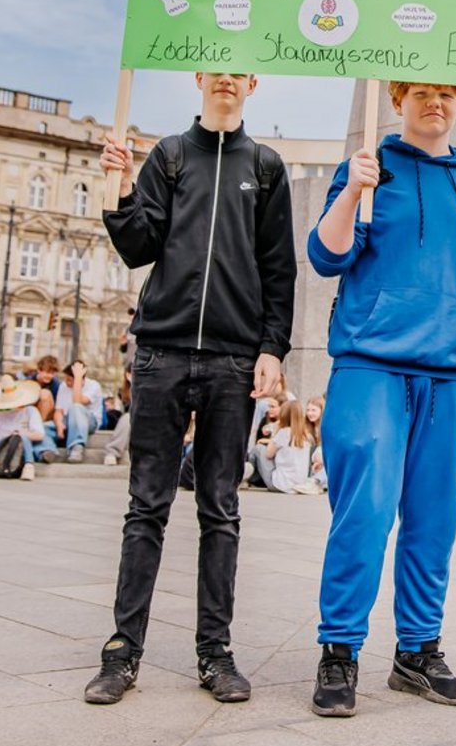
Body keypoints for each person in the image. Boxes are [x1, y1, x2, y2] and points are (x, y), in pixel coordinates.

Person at [83, 71, 296, 707]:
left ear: (252, 82)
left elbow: (278, 266)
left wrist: (272, 347)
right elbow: (137, 246)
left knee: (220, 510)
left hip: (233, 359)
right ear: (200, 77)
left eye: (238, 68)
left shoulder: (265, 167)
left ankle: (215, 652)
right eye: (216, 66)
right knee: (146, 506)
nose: (226, 77)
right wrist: (121, 187)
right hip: (162, 352)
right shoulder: (171, 155)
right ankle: (122, 651)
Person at [306, 81, 456, 717]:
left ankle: (417, 652)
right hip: (371, 365)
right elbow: (326, 256)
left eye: (447, 93)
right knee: (363, 513)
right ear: (398, 99)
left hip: (454, 373)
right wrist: (351, 192)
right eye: (421, 92)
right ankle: (339, 650)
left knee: (434, 520)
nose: (435, 103)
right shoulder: (370, 167)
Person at [0, 374, 56, 479]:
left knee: (23, 438)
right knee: (3, 440)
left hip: (21, 446)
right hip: (2, 445)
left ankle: (29, 465)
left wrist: (20, 434)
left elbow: (39, 435)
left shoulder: (30, 411)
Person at [252, 401, 319, 494]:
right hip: (299, 483)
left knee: (258, 448)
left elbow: (268, 454)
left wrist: (274, 434)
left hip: (280, 484)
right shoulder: (307, 436)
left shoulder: (283, 432)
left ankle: (249, 477)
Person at [54, 361, 104, 462]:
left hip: (90, 422)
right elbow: (58, 410)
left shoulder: (94, 386)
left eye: (69, 380)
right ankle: (46, 451)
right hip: (67, 420)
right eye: (66, 379)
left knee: (76, 407)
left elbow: (77, 401)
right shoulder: (63, 386)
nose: (66, 382)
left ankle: (76, 448)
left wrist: (78, 378)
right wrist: (59, 424)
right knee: (45, 427)